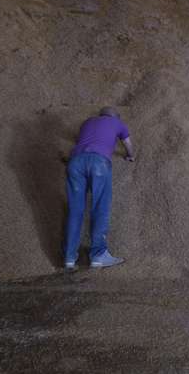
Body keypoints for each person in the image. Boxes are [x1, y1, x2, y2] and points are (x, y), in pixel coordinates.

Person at [63, 106, 135, 270]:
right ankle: (98, 256)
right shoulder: (117, 123)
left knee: (75, 210)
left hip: (75, 162)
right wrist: (130, 156)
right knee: (99, 208)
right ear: (115, 117)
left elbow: (82, 141)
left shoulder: (87, 122)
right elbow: (128, 145)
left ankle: (69, 257)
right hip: (98, 163)